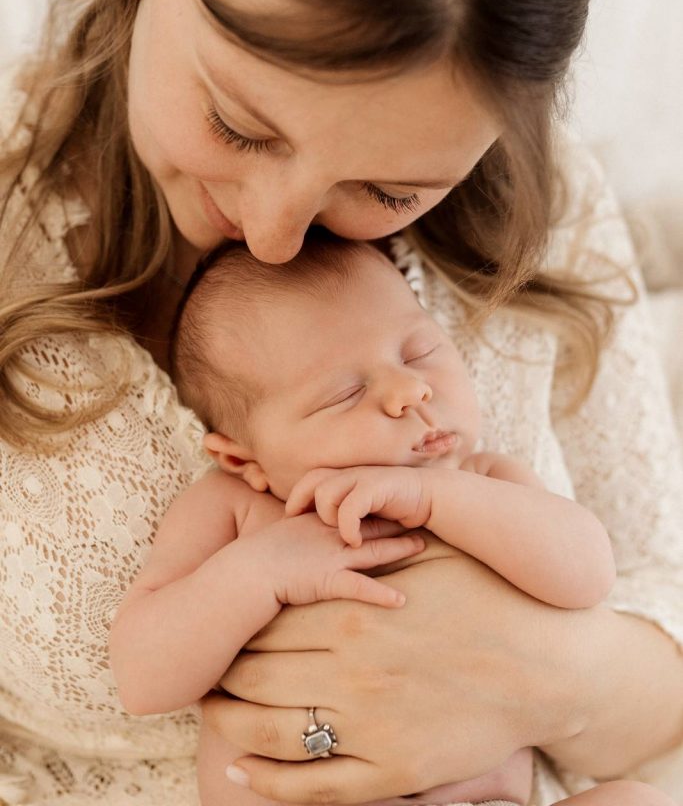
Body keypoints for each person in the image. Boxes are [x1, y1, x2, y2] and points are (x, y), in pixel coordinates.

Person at [0, 0, 681, 804]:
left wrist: (536, 680)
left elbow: (648, 588)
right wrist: (319, 733)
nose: (272, 232)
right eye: (238, 124)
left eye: (390, 189)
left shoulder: (548, 212)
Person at [111, 232, 654, 806]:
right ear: (246, 459)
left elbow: (588, 574)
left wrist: (432, 497)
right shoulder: (236, 511)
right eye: (345, 393)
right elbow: (143, 680)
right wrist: (259, 574)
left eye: (419, 352)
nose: (409, 390)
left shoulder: (485, 482)